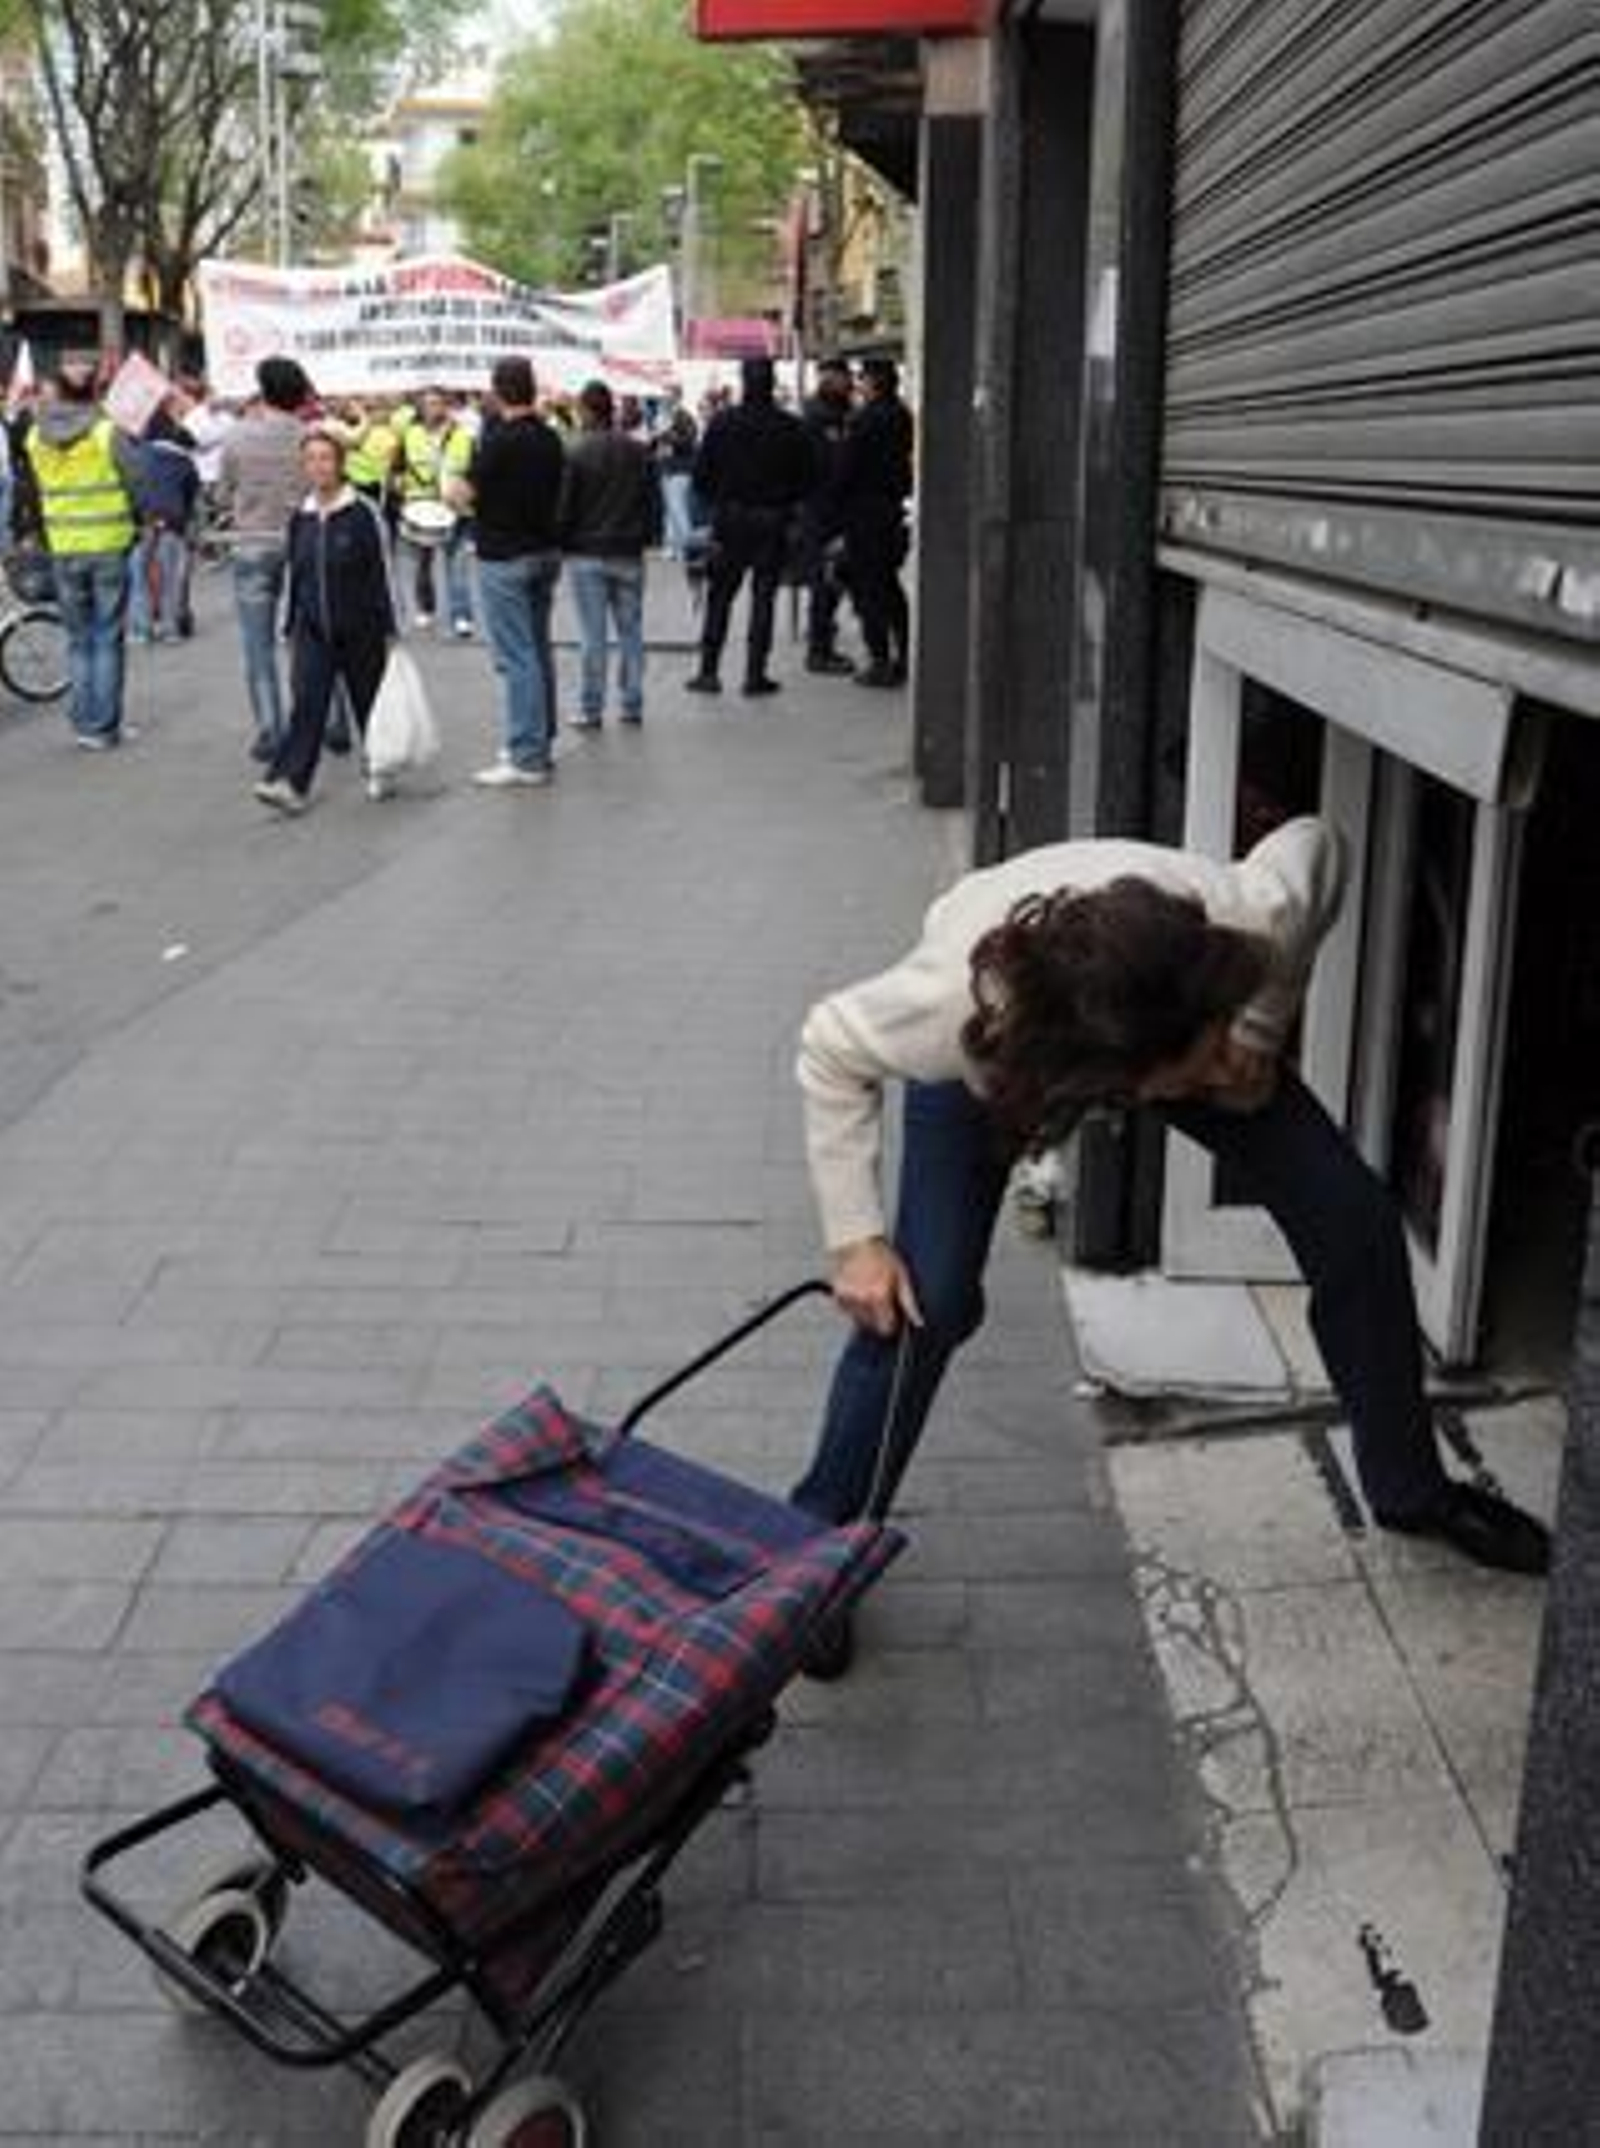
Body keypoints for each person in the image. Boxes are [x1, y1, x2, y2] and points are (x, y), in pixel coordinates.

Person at [791, 816, 1551, 1675]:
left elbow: (1318, 845)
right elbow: (827, 1048)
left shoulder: (1236, 925)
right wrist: (855, 1241)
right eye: (1193, 1072)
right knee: (926, 1301)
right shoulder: (946, 1012)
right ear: (1122, 1079)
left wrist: (1250, 1037)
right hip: (1000, 1059)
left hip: (1163, 1009)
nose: (1210, 1080)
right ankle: (814, 1561)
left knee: (1356, 1221)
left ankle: (1414, 1490)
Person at [253, 430, 396, 817]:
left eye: (325, 458)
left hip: (361, 627)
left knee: (369, 704)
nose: (318, 466)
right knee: (308, 705)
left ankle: (380, 764)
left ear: (340, 464)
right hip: (313, 629)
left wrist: (392, 627)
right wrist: (290, 624)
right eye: (311, 459)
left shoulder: (363, 513)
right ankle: (290, 784)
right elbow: (295, 576)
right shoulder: (301, 517)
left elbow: (385, 570)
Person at [25, 351, 142, 750]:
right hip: (109, 544)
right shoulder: (107, 432)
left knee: (78, 639)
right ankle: (103, 726)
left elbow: (33, 490)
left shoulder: (33, 436)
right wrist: (139, 522)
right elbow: (137, 483)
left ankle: (83, 723)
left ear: (55, 389)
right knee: (107, 636)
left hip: (63, 545)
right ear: (95, 392)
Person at [462, 355, 566, 790]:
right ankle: (540, 740)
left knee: (517, 657)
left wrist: (457, 496)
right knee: (538, 649)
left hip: (503, 556)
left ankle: (526, 756)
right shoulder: (549, 437)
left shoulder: (499, 440)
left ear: (498, 390)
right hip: (544, 550)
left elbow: (462, 492)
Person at [685, 356, 815, 699]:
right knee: (764, 598)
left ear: (743, 381)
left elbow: (701, 479)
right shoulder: (790, 426)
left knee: (721, 597)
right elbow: (807, 480)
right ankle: (755, 674)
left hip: (731, 519)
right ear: (772, 383)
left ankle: (708, 671)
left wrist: (719, 504)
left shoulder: (723, 423)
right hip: (773, 520)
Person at [218, 355, 312, 764]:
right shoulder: (311, 438)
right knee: (312, 639)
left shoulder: (237, 436)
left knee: (258, 646)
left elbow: (223, 492)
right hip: (301, 543)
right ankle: (328, 720)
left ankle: (272, 729)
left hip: (252, 543)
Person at [561, 379, 660, 729]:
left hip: (587, 552)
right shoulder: (638, 451)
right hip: (629, 552)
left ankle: (592, 707)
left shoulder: (575, 452)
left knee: (593, 636)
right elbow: (653, 502)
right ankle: (632, 703)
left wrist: (563, 542)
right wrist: (649, 538)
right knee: (631, 631)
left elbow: (565, 507)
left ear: (586, 411)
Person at [838, 355, 913, 689]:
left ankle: (879, 659)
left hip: (865, 513)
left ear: (876, 381)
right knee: (890, 585)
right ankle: (904, 654)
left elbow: (848, 468)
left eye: (864, 379)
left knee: (869, 589)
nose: (859, 384)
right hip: (891, 510)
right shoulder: (901, 415)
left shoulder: (865, 419)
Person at [397, 387, 474, 635]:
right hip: (420, 506)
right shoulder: (410, 435)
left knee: (457, 565)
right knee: (422, 565)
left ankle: (462, 616)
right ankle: (426, 609)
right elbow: (396, 469)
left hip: (456, 508)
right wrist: (399, 485)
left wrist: (466, 493)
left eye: (438, 403)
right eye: (428, 404)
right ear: (420, 407)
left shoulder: (463, 435)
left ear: (446, 406)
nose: (433, 409)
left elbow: (475, 471)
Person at [799, 357, 856, 677]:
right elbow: (830, 466)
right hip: (823, 511)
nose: (848, 383)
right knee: (826, 579)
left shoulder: (836, 412)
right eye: (842, 377)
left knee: (832, 579)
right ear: (828, 378)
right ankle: (819, 651)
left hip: (829, 510)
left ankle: (822, 640)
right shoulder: (820, 417)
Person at [128, 401, 200, 646]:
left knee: (139, 576)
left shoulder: (137, 455)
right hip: (172, 521)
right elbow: (191, 495)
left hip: (142, 521)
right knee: (171, 577)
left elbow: (131, 489)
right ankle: (170, 630)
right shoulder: (184, 461)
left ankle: (141, 629)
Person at [654, 402, 699, 561]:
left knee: (678, 511)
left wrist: (668, 437)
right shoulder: (676, 428)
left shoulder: (682, 428)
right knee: (670, 511)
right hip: (671, 471)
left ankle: (688, 546)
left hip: (678, 472)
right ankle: (672, 547)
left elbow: (684, 443)